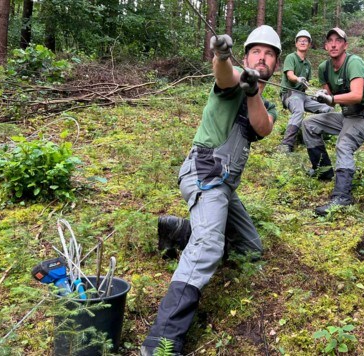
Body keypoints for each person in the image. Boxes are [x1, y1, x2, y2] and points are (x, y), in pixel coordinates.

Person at [140, 25, 281, 356]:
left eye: (270, 54)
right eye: (256, 52)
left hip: (225, 186)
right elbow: (223, 76)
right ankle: (162, 340)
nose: (262, 58)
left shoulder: (266, 102)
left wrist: (254, 92)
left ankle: (179, 230)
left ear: (275, 64)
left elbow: (263, 127)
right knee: (208, 248)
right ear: (246, 56)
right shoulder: (232, 78)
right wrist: (220, 55)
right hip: (205, 172)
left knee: (250, 248)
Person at [303, 27, 364, 216]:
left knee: (344, 144)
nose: (333, 44)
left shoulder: (354, 63)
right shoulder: (324, 68)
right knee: (309, 124)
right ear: (325, 46)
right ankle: (324, 171)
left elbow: (356, 95)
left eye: (338, 40)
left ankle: (342, 197)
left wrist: (330, 99)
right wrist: (321, 95)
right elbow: (329, 95)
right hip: (347, 116)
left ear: (345, 45)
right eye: (330, 40)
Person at [278, 30, 333, 153]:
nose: (303, 42)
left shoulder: (307, 64)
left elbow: (306, 86)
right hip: (290, 94)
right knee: (299, 110)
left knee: (327, 108)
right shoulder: (291, 57)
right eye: (300, 41)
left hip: (303, 95)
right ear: (296, 44)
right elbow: (290, 75)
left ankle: (317, 135)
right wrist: (298, 78)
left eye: (305, 41)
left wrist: (316, 93)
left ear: (309, 45)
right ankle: (286, 145)